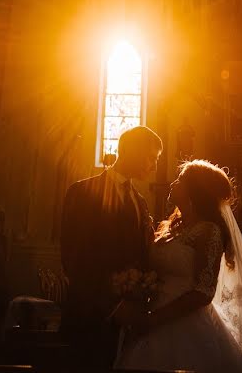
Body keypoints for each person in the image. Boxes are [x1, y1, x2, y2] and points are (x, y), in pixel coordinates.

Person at [115, 160, 242, 372]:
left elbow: (203, 292)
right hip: (153, 315)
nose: (173, 183)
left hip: (185, 323)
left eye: (180, 180)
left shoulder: (209, 231)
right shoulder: (169, 228)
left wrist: (154, 320)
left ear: (194, 190)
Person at [60, 126, 162, 369]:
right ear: (132, 151)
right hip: (90, 319)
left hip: (130, 323)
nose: (154, 166)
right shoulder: (83, 192)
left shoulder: (139, 201)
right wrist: (112, 307)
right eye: (151, 157)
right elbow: (74, 258)